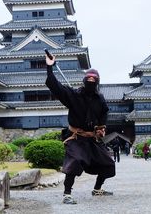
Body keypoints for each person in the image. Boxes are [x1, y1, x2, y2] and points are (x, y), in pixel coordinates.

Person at [45, 53, 115, 205]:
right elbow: (55, 86)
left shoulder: (99, 99)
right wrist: (50, 67)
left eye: (93, 79)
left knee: (108, 163)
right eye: (88, 78)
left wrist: (101, 128)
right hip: (76, 137)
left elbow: (104, 113)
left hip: (91, 138)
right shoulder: (73, 95)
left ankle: (97, 189)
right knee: (75, 161)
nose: (91, 81)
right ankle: (67, 194)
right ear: (84, 80)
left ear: (97, 82)